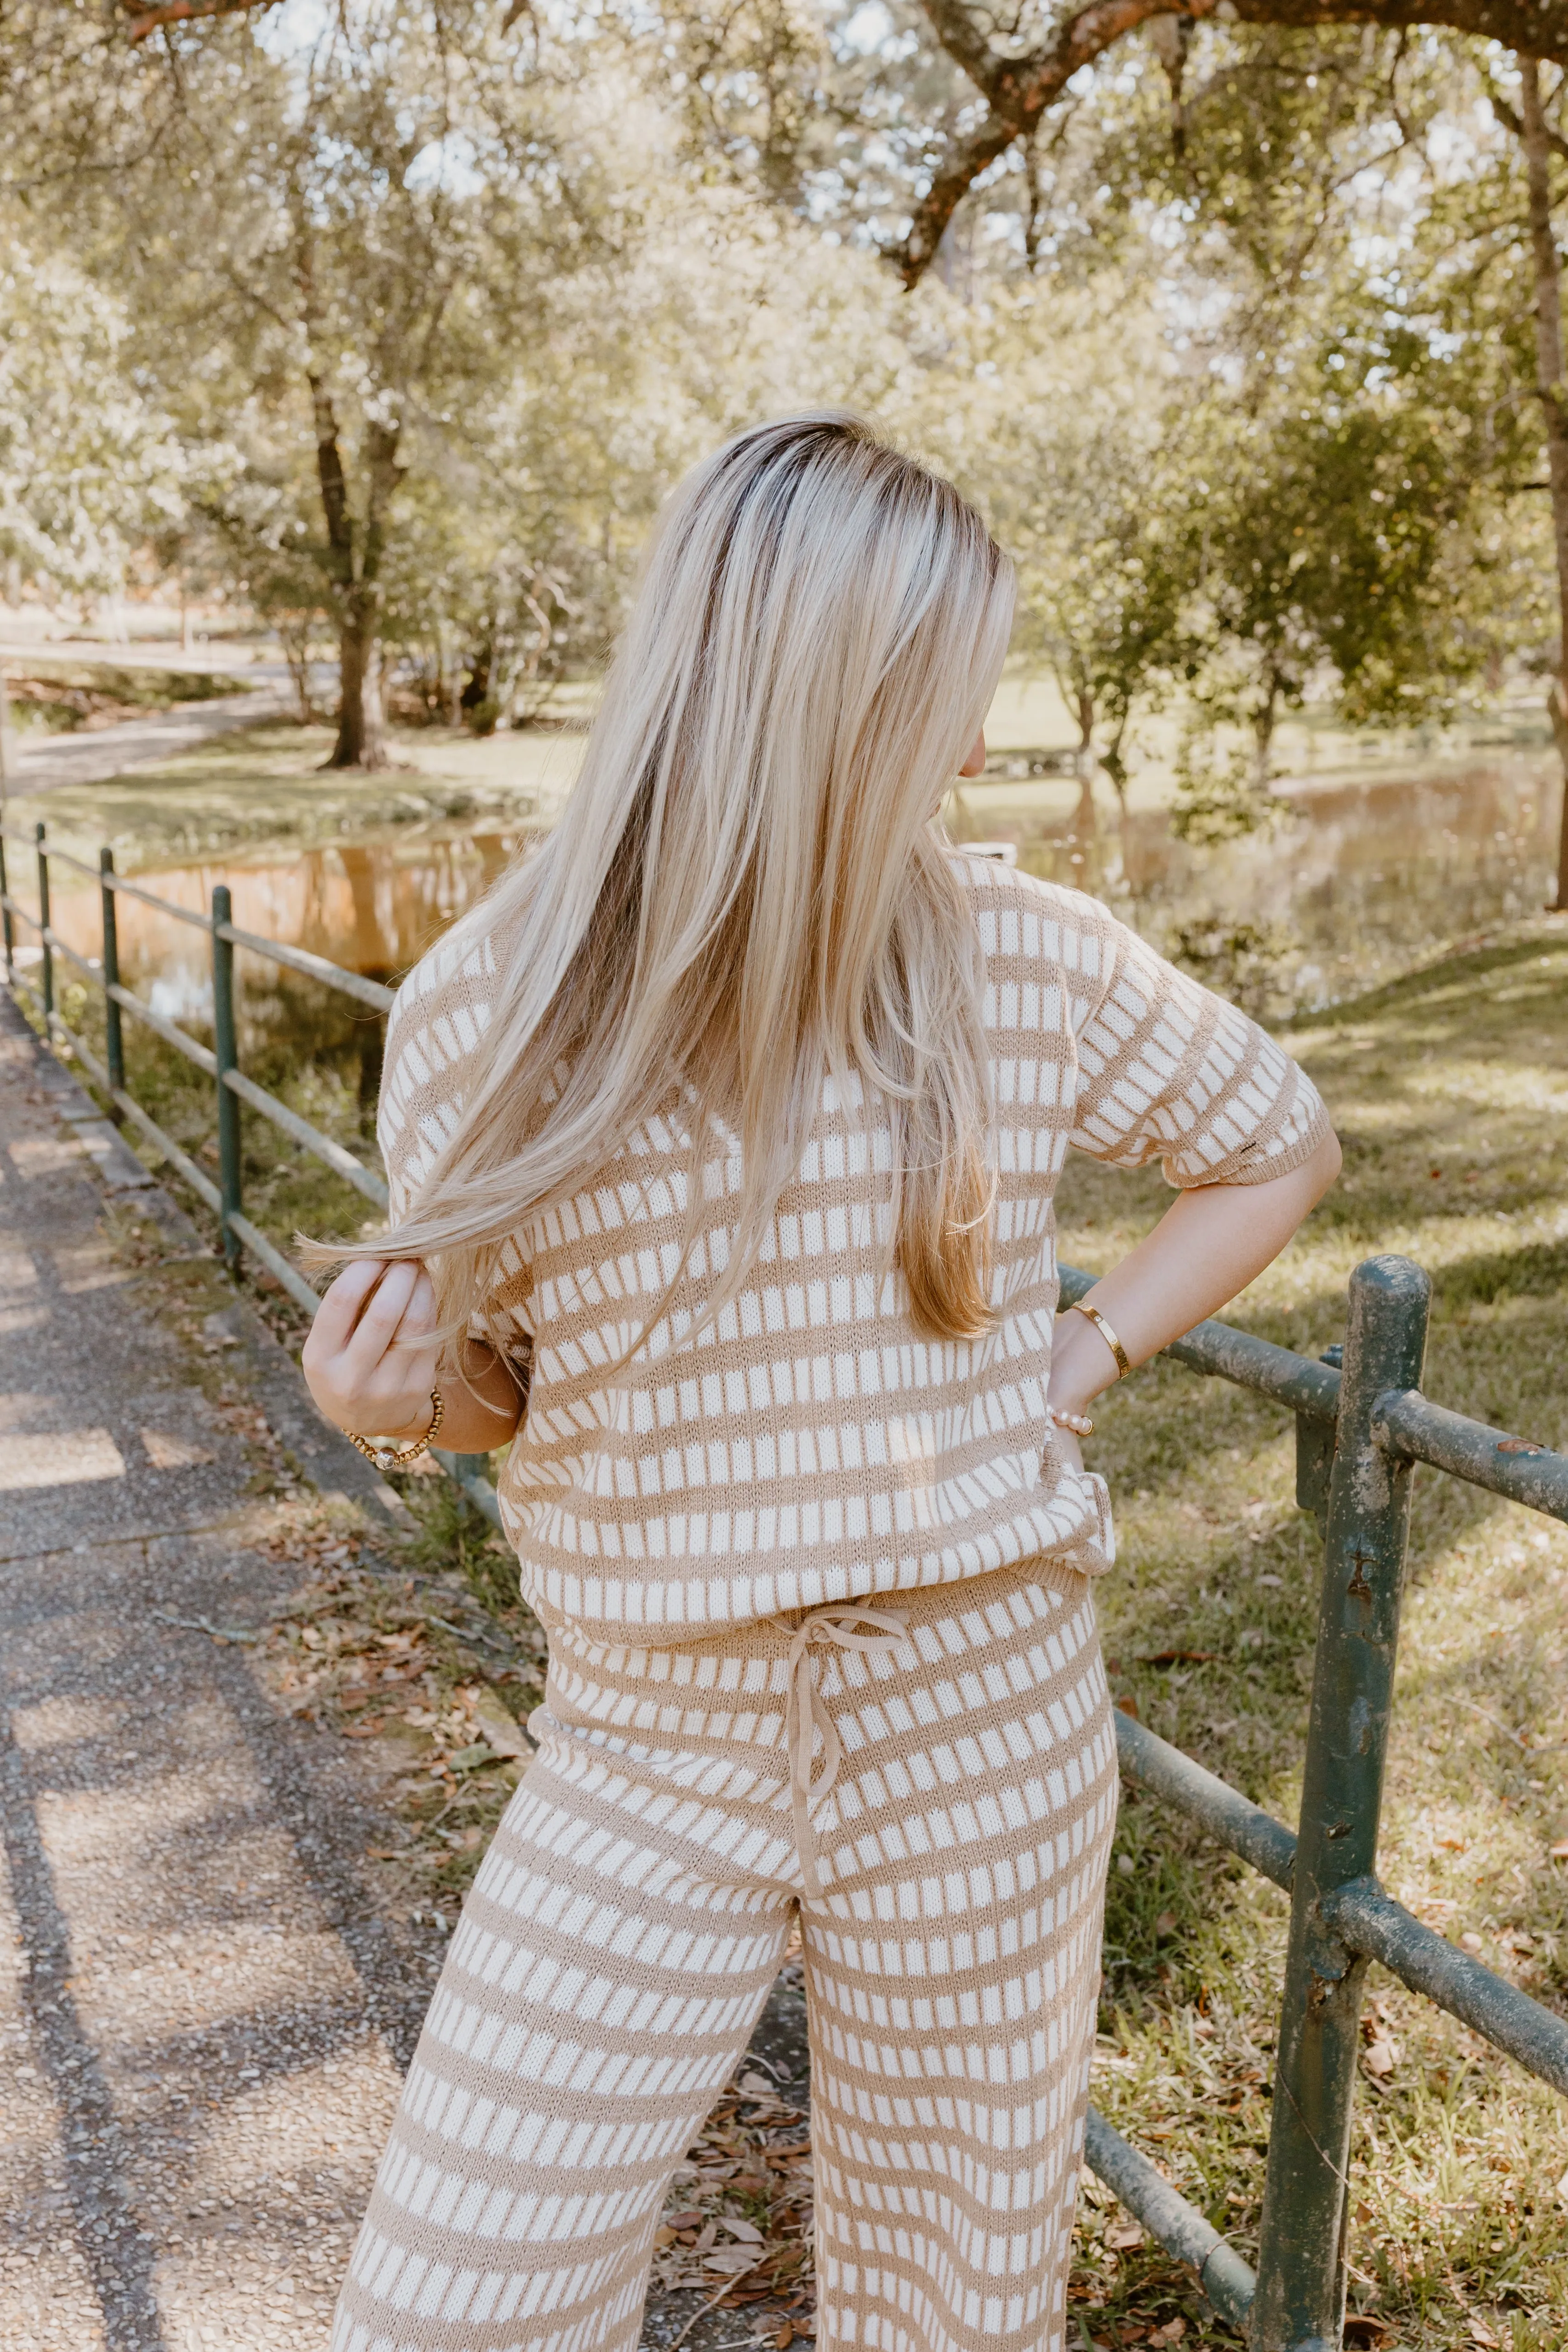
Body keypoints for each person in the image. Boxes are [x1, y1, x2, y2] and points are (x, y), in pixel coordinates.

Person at [301, 411, 1339, 2352]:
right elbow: (518, 1391)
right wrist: (399, 1402)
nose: (969, 749)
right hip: (651, 1740)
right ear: (821, 701)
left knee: (953, 2309)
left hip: (986, 1720)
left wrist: (1086, 1347)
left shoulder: (1023, 958)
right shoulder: (492, 1007)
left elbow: (1279, 1140)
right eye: (941, 697)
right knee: (458, 2299)